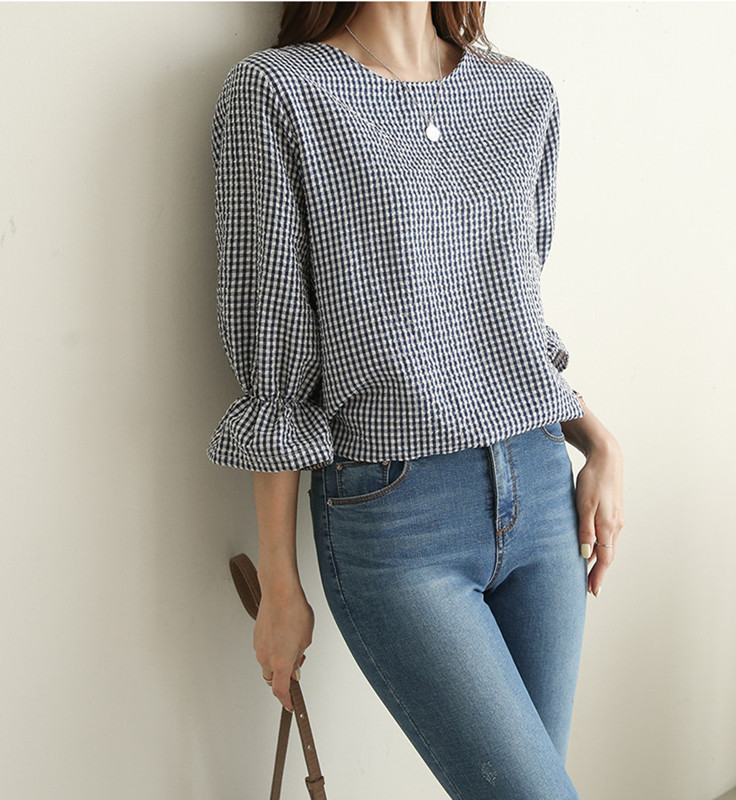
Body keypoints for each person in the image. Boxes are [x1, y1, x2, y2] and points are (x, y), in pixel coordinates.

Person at [207, 3, 624, 797]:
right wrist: (280, 580)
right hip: (398, 520)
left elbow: (511, 322)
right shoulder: (278, 93)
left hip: (542, 488)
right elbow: (276, 358)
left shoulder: (522, 94)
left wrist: (597, 440)